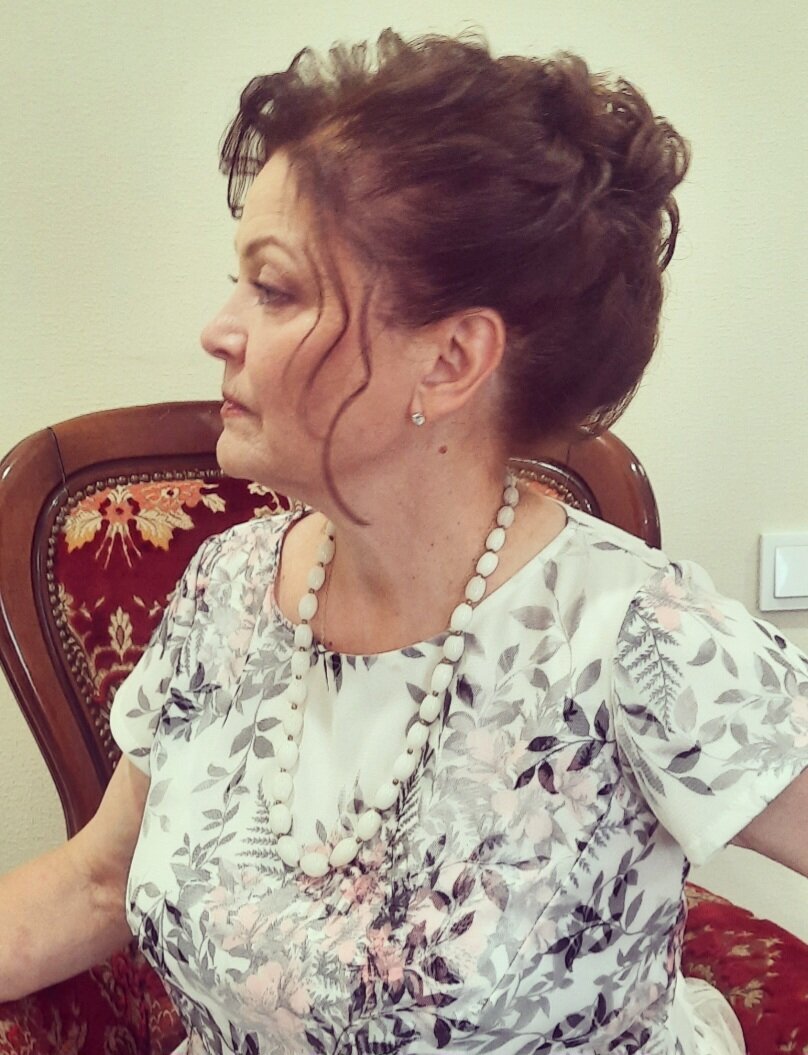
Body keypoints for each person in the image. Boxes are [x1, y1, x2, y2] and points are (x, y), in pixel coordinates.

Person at [1, 29, 806, 1055]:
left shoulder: (638, 637)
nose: (219, 328)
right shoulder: (227, 588)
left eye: (275, 288)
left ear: (452, 358)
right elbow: (97, 879)